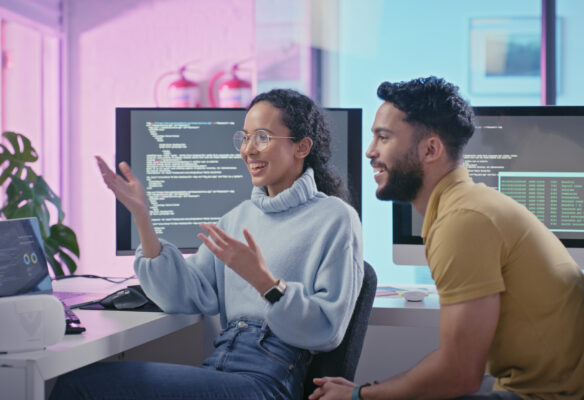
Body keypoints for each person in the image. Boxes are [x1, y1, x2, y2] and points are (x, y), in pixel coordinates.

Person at [50, 89, 363, 400]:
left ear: (302, 147)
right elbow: (183, 295)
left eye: (262, 137)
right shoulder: (236, 218)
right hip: (222, 365)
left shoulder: (335, 218)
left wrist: (263, 281)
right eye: (244, 137)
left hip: (270, 380)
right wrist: (143, 219)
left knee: (80, 385)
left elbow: (327, 328)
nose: (248, 150)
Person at [311, 77, 584, 400]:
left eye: (383, 137)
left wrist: (357, 396)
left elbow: (459, 375)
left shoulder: (463, 221)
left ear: (431, 149)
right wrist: (366, 391)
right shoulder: (467, 207)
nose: (370, 151)